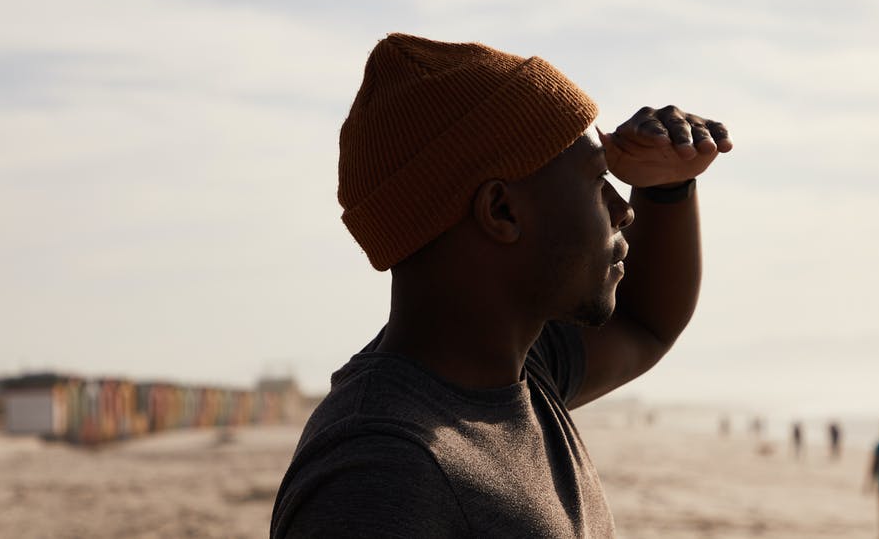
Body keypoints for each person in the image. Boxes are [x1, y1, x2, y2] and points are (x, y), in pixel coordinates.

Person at [269, 33, 733, 538]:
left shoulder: (518, 374)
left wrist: (667, 189)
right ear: (501, 210)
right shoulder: (380, 473)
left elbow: (645, 322)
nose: (622, 209)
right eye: (596, 178)